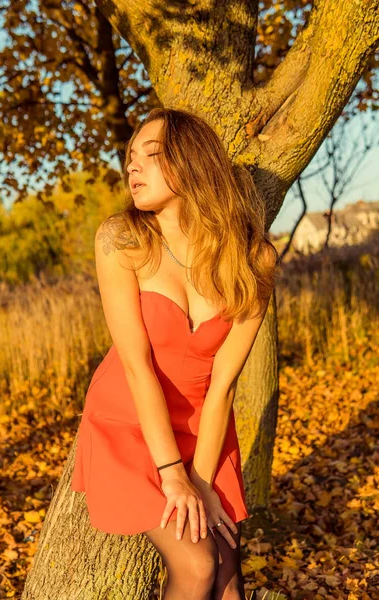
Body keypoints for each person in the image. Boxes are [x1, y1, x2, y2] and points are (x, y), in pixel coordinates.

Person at [71, 107, 279, 599]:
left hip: (204, 424)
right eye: (129, 158)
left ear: (191, 164)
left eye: (151, 154)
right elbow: (137, 366)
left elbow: (224, 381)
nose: (132, 167)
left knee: (229, 574)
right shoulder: (121, 241)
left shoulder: (252, 258)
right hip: (129, 423)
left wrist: (202, 481)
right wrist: (173, 476)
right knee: (197, 560)